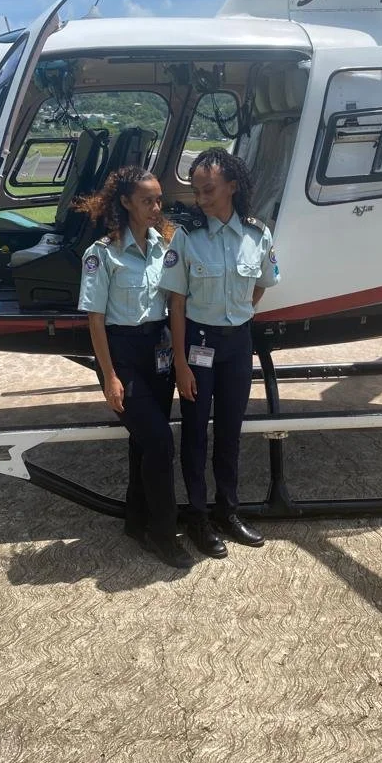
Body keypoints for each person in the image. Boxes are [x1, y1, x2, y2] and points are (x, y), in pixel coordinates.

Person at [159, 147, 280, 559]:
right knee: (195, 433)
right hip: (199, 343)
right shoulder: (188, 239)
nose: (201, 198)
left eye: (208, 189)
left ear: (232, 186)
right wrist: (180, 363)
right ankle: (197, 517)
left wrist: (240, 310)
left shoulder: (257, 234)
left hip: (237, 343)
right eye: (196, 190)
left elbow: (262, 283)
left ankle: (228, 511)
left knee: (230, 431)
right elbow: (175, 303)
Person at [77, 165, 192, 570]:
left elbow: (175, 301)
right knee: (160, 443)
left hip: (157, 350)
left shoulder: (167, 247)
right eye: (147, 200)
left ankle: (135, 520)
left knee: (143, 442)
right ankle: (164, 534)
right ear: (125, 202)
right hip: (122, 354)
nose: (156, 206)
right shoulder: (103, 254)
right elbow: (94, 319)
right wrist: (109, 377)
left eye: (159, 199)